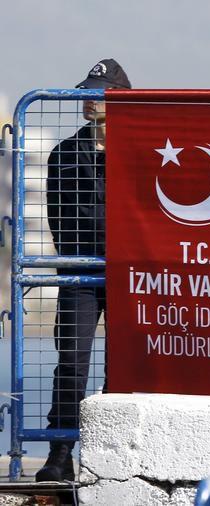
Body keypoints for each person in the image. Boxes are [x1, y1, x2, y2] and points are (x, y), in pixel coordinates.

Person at [37, 58, 132, 482]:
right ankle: (60, 452)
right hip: (79, 273)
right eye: (86, 93)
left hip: (128, 273)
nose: (87, 101)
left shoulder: (140, 153)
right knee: (71, 363)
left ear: (121, 98)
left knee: (122, 365)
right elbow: (57, 217)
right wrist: (70, 264)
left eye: (99, 93)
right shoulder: (65, 153)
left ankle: (109, 455)